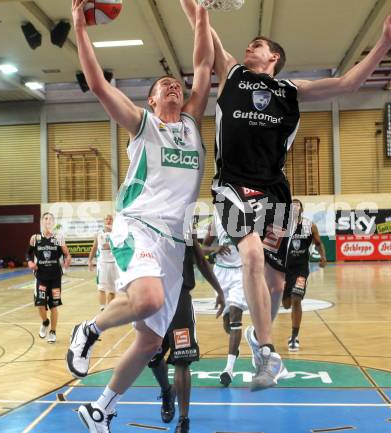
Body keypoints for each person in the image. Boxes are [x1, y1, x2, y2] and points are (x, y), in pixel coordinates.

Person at [180, 0, 391, 390]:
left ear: (275, 57)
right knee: (250, 253)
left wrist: (385, 41)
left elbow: (348, 84)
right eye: (249, 44)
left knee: (274, 285)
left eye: (258, 45)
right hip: (232, 183)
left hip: (276, 191)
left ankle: (256, 335)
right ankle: (267, 351)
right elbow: (200, 25)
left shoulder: (291, 89)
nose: (250, 48)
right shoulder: (232, 71)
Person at [66, 1, 214, 431]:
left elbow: (203, 64)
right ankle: (88, 330)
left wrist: (202, 17)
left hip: (173, 243)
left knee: (150, 341)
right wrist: (80, 26)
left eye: (175, 85)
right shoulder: (142, 124)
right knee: (148, 300)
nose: (172, 87)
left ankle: (102, 409)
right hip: (138, 225)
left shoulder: (191, 126)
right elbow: (97, 84)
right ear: (150, 99)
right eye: (162, 85)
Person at [149, 234, 224, 433]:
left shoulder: (185, 228)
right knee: (152, 356)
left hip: (179, 299)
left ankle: (184, 419)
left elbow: (200, 260)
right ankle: (167, 391)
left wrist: (219, 290)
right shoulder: (145, 222)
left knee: (182, 359)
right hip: (153, 298)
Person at [202, 208, 247, 386]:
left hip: (240, 272)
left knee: (236, 314)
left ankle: (228, 369)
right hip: (221, 274)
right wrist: (215, 248)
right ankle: (234, 349)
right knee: (227, 323)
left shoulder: (248, 218)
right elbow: (203, 248)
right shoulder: (216, 220)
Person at [282, 199, 326, 352]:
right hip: (283, 270)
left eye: (297, 206)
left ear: (301, 209)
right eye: (292, 206)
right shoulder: (282, 226)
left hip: (301, 270)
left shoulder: (310, 225)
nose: (295, 208)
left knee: (296, 299)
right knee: (286, 304)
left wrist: (323, 257)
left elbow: (319, 243)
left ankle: (294, 337)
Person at [26, 212, 72, 343]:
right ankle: (45, 322)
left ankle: (53, 331)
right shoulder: (35, 238)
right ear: (42, 221)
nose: (48, 221)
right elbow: (28, 253)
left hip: (55, 277)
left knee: (54, 306)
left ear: (53, 222)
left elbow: (67, 254)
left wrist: (68, 260)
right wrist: (29, 262)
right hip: (41, 277)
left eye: (50, 219)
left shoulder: (59, 238)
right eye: (46, 218)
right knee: (40, 305)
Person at [88, 214, 118, 311]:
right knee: (101, 287)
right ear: (104, 221)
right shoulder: (99, 233)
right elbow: (94, 247)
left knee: (112, 290)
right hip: (102, 263)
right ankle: (102, 309)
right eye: (107, 219)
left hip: (114, 263)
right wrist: (90, 260)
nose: (109, 220)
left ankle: (109, 310)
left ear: (113, 221)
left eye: (110, 219)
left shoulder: (117, 233)